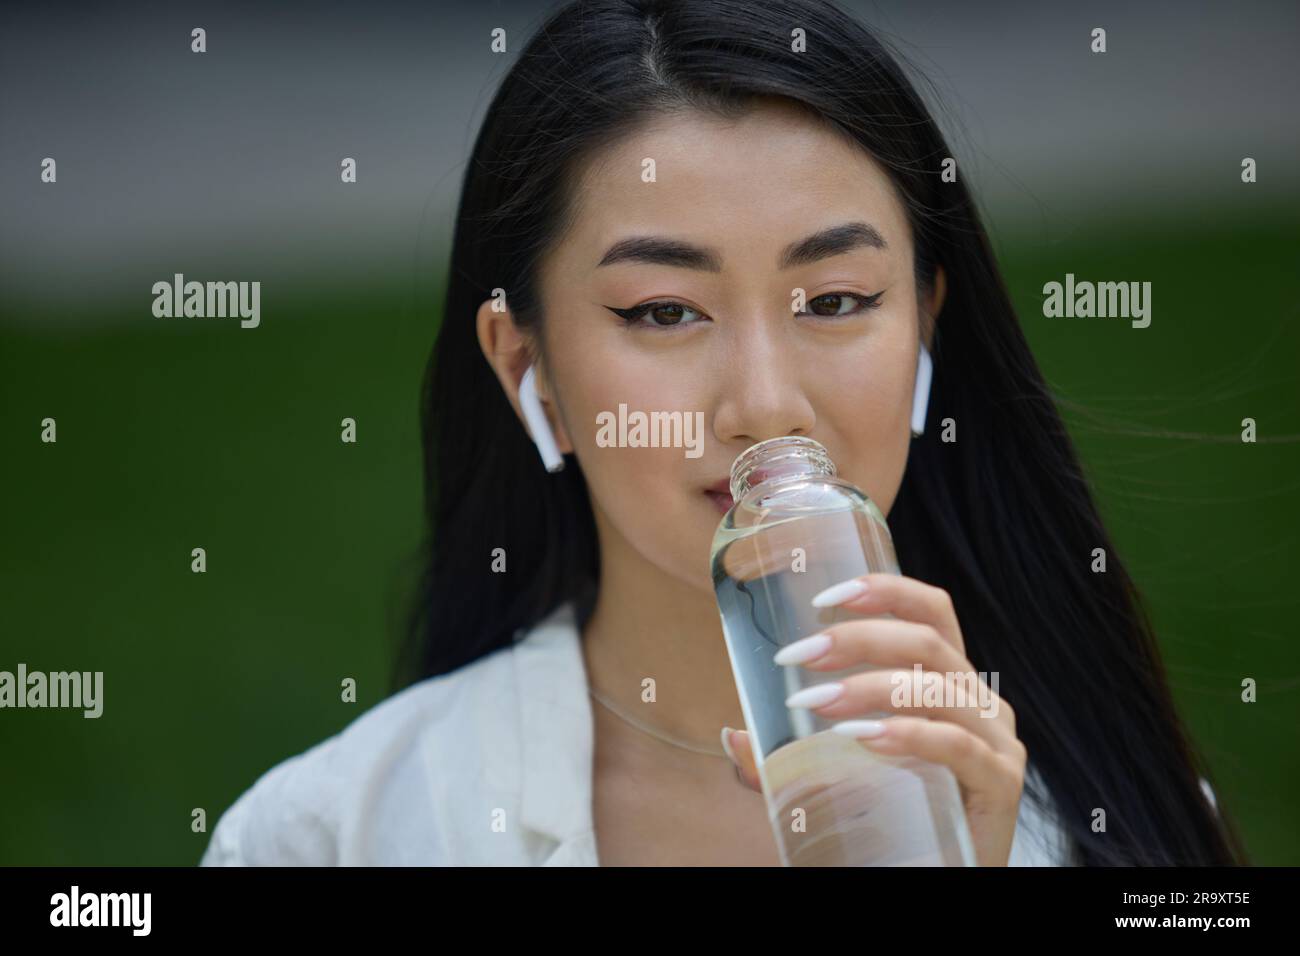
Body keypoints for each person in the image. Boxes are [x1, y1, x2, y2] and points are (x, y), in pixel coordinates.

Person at [200, 0, 1243, 867]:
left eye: (833, 299)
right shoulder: (332, 834)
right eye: (663, 310)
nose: (763, 403)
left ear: (925, 320)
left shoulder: (1117, 825)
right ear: (530, 369)